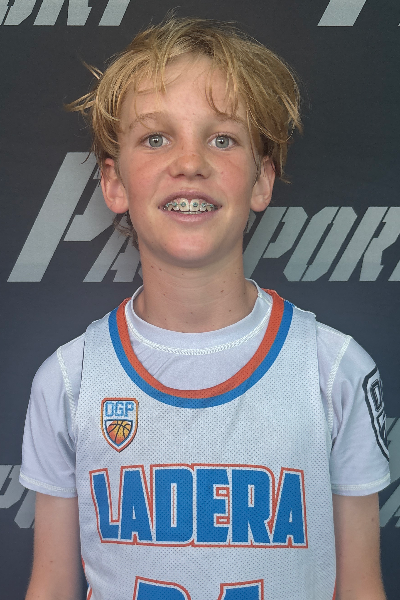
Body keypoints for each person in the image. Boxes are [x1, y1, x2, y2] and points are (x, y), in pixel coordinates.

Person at [21, 16, 390, 600]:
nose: (189, 162)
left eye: (222, 139)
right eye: (155, 138)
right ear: (114, 183)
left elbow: (361, 588)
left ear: (261, 181)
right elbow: (51, 585)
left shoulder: (332, 371)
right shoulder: (70, 380)